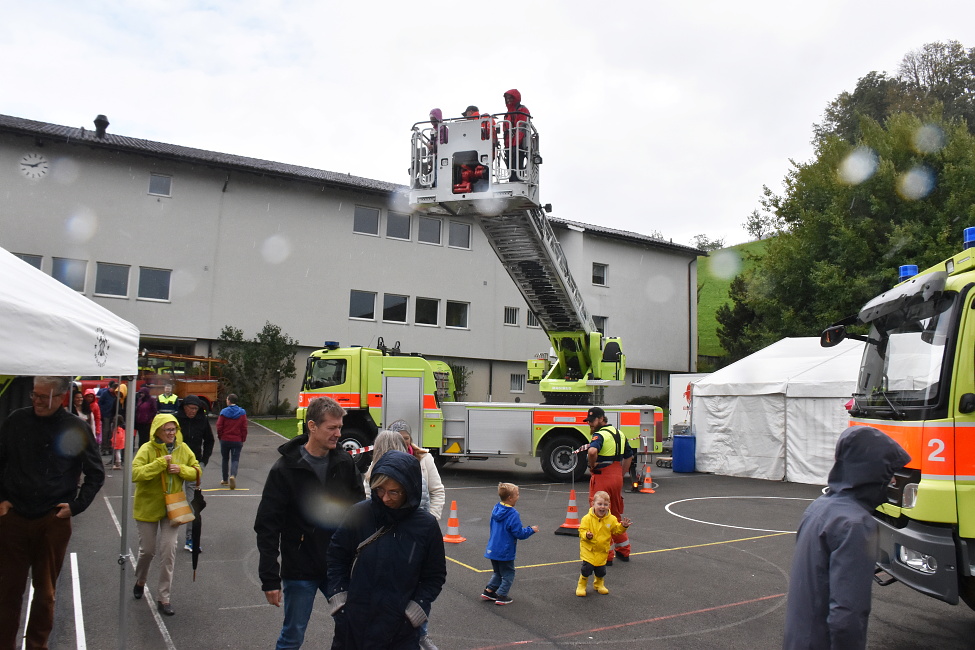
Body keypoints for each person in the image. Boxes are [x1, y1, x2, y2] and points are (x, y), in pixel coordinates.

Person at [783, 425, 910, 650]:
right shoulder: (856, 524)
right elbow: (848, 615)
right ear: (872, 472)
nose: (892, 482)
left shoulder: (818, 508)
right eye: (889, 473)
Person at [0, 376, 105, 648]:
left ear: (61, 397)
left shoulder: (75, 427)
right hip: (13, 519)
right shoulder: (15, 420)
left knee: (45, 594)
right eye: (33, 395)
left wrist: (76, 506)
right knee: (7, 591)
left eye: (42, 396)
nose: (36, 401)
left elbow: (95, 473)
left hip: (52, 520)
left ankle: (37, 645)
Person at [255, 396, 364, 650]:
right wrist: (269, 578)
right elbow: (267, 525)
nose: (338, 434)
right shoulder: (284, 469)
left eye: (340, 427)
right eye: (332, 428)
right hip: (300, 568)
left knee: (352, 625)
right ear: (312, 426)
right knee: (293, 635)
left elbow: (359, 511)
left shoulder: (345, 463)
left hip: (337, 566)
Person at [326, 450, 447, 648]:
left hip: (400, 630)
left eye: (394, 492)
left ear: (410, 490)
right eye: (380, 489)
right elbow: (336, 556)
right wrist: (340, 600)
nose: (385, 498)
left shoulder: (426, 526)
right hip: (353, 625)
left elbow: (434, 576)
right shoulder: (360, 514)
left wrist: (415, 611)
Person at [131, 413, 201, 617]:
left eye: (174, 429)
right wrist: (159, 464)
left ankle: (164, 597)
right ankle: (141, 580)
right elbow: (136, 474)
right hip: (148, 506)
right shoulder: (147, 449)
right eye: (167, 430)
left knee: (169, 551)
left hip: (174, 506)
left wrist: (181, 470)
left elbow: (197, 472)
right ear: (157, 432)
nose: (172, 433)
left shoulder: (183, 448)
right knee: (147, 551)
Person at [585, 406, 634, 564]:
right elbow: (629, 456)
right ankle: (624, 551)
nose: (590, 424)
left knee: (600, 515)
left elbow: (592, 452)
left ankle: (607, 555)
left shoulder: (599, 435)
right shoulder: (619, 433)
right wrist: (621, 473)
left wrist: (592, 466)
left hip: (603, 477)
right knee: (615, 514)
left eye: (592, 421)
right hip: (616, 476)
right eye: (588, 421)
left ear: (601, 419)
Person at [481, 482, 538, 605]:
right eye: (517, 494)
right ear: (510, 498)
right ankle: (502, 595)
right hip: (505, 550)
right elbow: (518, 533)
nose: (519, 496)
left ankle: (489, 590)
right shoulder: (513, 514)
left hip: (493, 548)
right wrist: (531, 530)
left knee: (498, 572)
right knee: (508, 573)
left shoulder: (496, 508)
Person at [175, 394, 214, 551]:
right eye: (191, 408)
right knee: (173, 502)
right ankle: (168, 535)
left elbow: (209, 440)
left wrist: (203, 461)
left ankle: (191, 538)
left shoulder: (202, 420)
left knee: (193, 503)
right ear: (184, 407)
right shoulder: (175, 420)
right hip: (176, 466)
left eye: (196, 409)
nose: (193, 411)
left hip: (194, 466)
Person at [576, 490, 632, 596]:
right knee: (587, 568)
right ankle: (581, 585)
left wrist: (623, 526)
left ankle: (599, 584)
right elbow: (581, 531)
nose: (602, 507)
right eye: (599, 504)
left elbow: (616, 530)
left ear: (609, 506)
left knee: (601, 570)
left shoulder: (611, 519)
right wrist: (586, 535)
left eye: (605, 505)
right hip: (589, 550)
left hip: (602, 550)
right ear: (593, 504)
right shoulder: (587, 519)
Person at [387, 419, 445, 520]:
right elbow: (368, 493)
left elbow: (437, 491)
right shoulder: (382, 459)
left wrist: (432, 518)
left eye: (406, 438)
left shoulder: (425, 458)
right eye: (399, 438)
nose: (404, 441)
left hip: (419, 522)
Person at [216, 393, 248, 489]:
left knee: (225, 459)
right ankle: (233, 475)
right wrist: (243, 438)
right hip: (237, 440)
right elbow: (244, 427)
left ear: (229, 401)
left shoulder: (223, 412)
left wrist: (220, 436)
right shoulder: (242, 413)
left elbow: (219, 426)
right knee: (235, 459)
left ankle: (225, 479)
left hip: (225, 439)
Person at [501, 89, 531, 181]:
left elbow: (521, 128)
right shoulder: (507, 114)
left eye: (511, 98)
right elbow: (505, 130)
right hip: (509, 145)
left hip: (518, 145)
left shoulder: (522, 110)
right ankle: (512, 180)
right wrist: (507, 146)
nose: (509, 100)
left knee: (517, 166)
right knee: (511, 168)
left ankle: (517, 180)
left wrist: (516, 144)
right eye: (507, 98)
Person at [97, 380, 119, 455]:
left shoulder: (117, 394)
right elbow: (100, 403)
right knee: (105, 431)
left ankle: (110, 447)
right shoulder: (105, 393)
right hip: (106, 414)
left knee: (112, 432)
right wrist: (102, 412)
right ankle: (104, 448)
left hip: (114, 415)